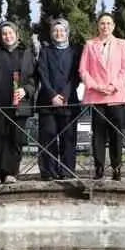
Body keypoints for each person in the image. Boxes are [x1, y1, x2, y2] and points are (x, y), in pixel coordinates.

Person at [0, 23, 38, 183]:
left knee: (15, 139)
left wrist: (26, 90)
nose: (8, 36)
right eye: (4, 34)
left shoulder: (26, 54)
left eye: (10, 33)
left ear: (17, 34)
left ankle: (11, 173)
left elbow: (35, 78)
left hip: (19, 105)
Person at [80, 12, 125, 181]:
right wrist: (97, 86)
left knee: (116, 134)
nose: (105, 26)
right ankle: (99, 168)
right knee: (98, 135)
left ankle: (117, 168)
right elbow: (83, 70)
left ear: (114, 26)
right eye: (102, 23)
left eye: (109, 23)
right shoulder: (89, 44)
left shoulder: (121, 44)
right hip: (96, 96)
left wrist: (113, 86)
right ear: (98, 25)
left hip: (116, 95)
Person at [34, 19, 83, 179]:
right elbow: (42, 73)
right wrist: (53, 95)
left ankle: (67, 171)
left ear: (67, 32)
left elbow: (76, 75)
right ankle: (49, 172)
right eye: (56, 30)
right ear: (51, 33)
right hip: (48, 102)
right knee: (47, 137)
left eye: (62, 30)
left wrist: (65, 95)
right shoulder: (45, 51)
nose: (59, 33)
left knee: (68, 138)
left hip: (69, 102)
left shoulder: (76, 51)